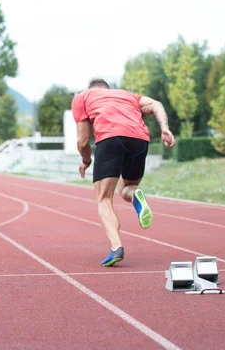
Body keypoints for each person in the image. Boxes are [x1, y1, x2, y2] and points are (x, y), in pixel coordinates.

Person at [71, 78, 175, 267]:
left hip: (111, 138)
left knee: (104, 199)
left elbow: (83, 141)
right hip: (139, 140)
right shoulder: (128, 95)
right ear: (108, 89)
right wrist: (165, 128)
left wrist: (86, 161)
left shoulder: (82, 97)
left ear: (91, 89)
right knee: (128, 187)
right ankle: (135, 195)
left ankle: (116, 247)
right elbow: (156, 104)